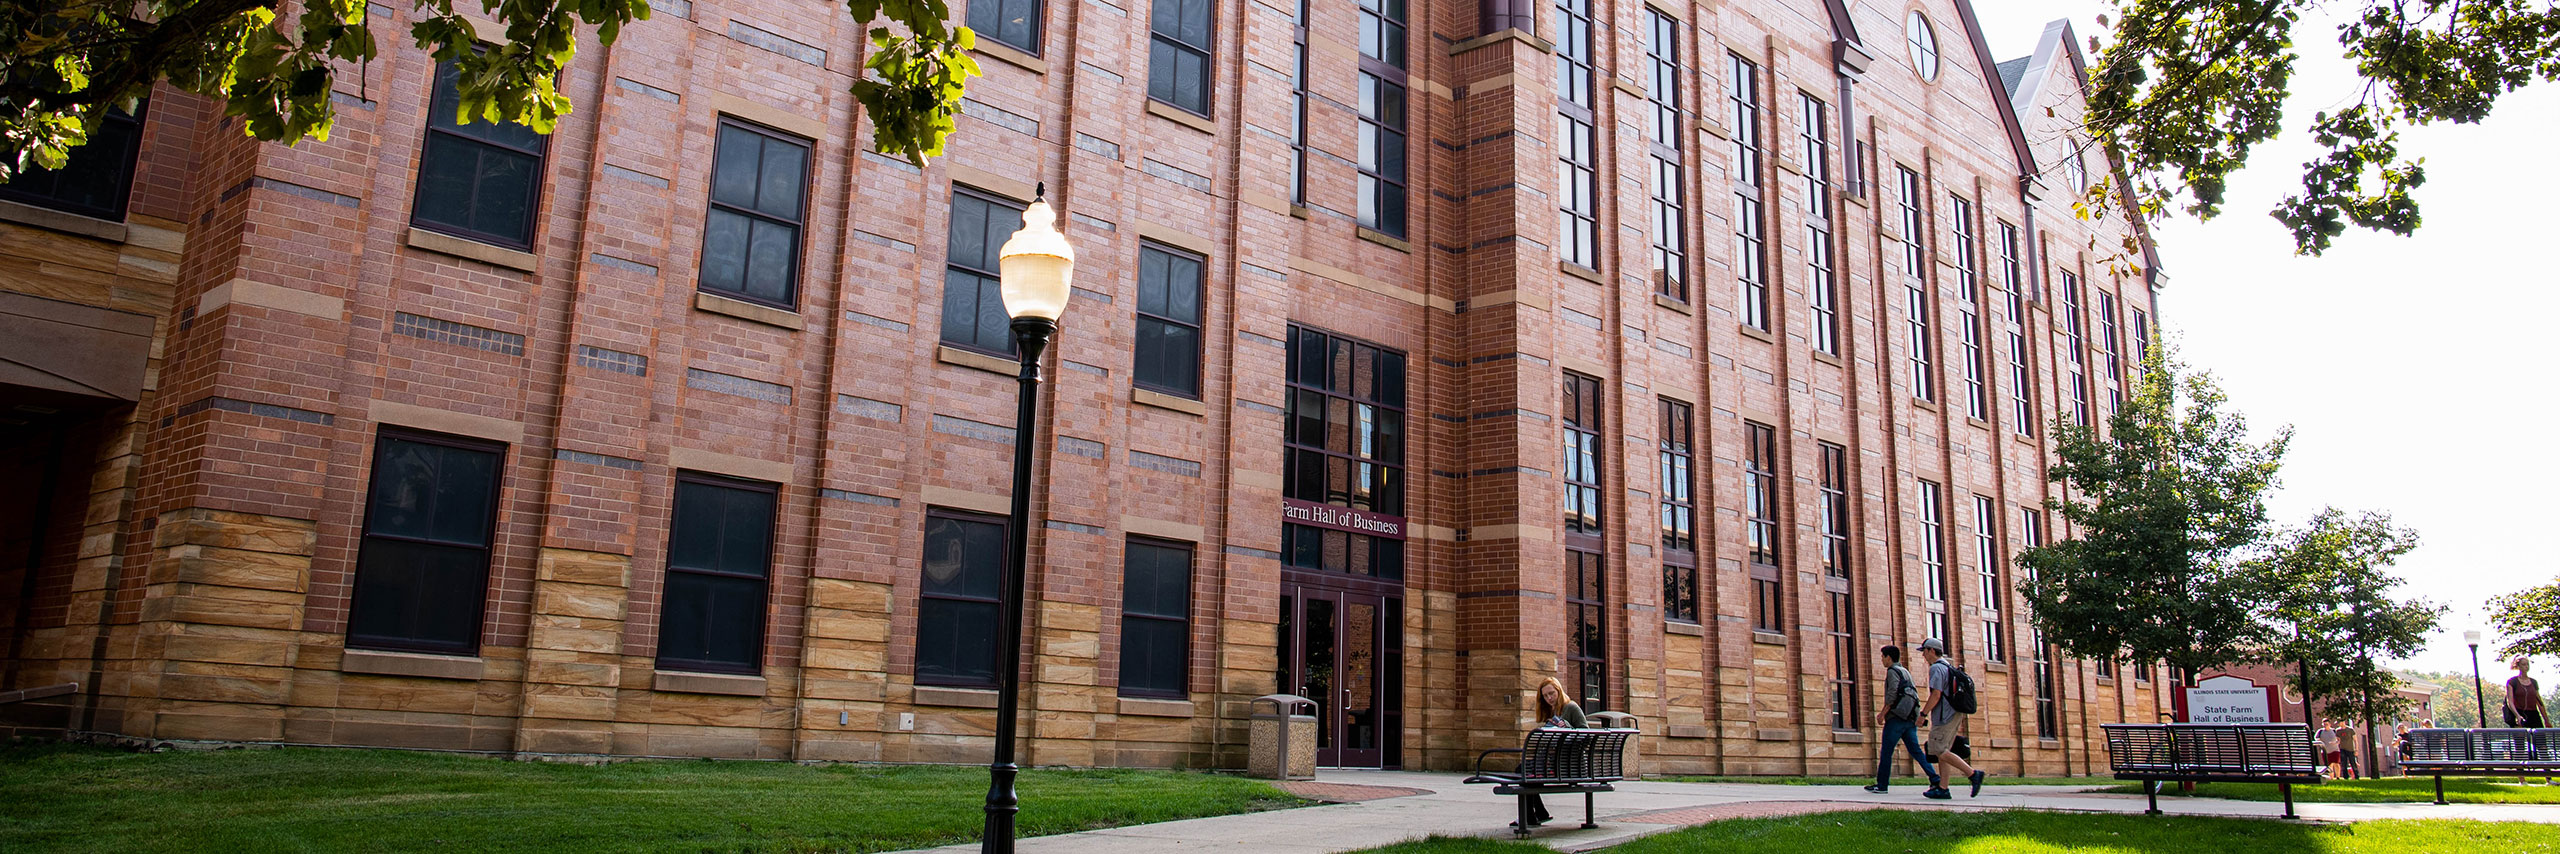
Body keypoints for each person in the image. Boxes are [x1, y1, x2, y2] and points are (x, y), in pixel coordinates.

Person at [1864, 644, 1945, 796]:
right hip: (1909, 718)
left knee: (1886, 751)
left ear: (1889, 657)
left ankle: (1881, 785)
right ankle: (1934, 778)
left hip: (1896, 718)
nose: (1882, 660)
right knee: (1916, 751)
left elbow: (1892, 694)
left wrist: (1882, 714)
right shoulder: (1905, 671)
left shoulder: (1893, 672)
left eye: (1883, 656)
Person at [1916, 638, 1986, 798]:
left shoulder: (1936, 669)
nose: (1924, 656)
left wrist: (1923, 714)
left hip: (1944, 716)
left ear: (1932, 651)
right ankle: (1943, 788)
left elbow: (1936, 695)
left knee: (1938, 749)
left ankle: (1973, 774)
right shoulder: (1948, 666)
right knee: (1943, 750)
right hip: (1954, 713)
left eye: (1924, 651)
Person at [1516, 677, 1588, 829]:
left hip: (1570, 765)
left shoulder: (1571, 707)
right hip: (1557, 763)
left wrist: (1566, 727)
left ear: (1559, 690)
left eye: (1552, 693)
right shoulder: (1553, 710)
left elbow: (1586, 735)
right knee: (1523, 770)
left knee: (1523, 770)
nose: (1549, 698)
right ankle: (1536, 814)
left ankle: (1530, 815)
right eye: (1546, 696)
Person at [2508, 658, 2547, 728]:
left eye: (2527, 664)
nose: (2526, 666)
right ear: (2518, 666)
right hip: (2519, 713)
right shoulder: (2512, 682)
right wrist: (2517, 715)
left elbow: (2539, 702)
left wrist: (2546, 720)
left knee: (2540, 737)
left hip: (2533, 714)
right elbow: (2510, 702)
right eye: (2523, 664)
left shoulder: (2533, 682)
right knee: (2520, 737)